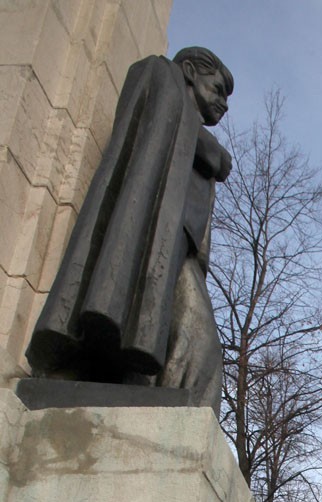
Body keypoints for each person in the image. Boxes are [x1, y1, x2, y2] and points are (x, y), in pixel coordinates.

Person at [26, 47, 234, 413]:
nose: (223, 103)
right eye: (217, 89)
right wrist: (214, 152)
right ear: (188, 71)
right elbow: (206, 152)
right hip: (154, 236)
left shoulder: (190, 125)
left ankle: (171, 429)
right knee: (195, 347)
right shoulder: (160, 75)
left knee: (198, 350)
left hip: (177, 246)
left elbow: (213, 158)